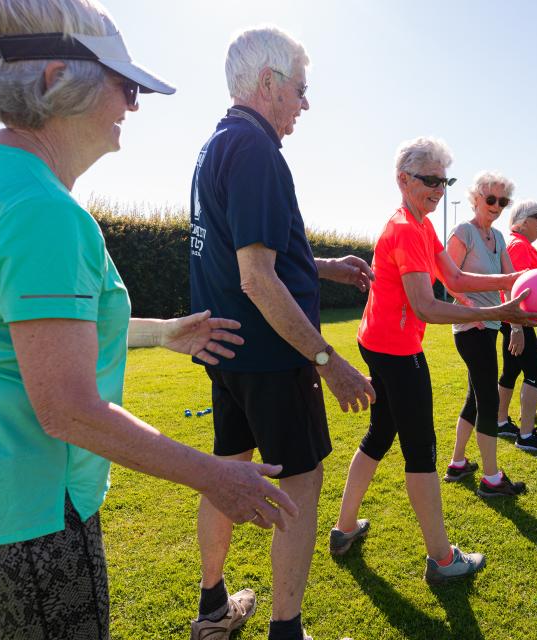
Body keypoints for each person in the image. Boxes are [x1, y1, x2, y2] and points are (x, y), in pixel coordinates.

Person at [0, 3, 296, 638]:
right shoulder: (42, 210)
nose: (133, 107)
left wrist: (161, 331)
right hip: (27, 513)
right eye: (127, 85)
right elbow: (66, 407)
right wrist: (212, 474)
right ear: (60, 80)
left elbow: (28, 333)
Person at [188, 26, 376, 640]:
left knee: (227, 468)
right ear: (268, 84)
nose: (304, 102)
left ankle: (213, 609)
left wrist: (323, 266)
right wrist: (327, 359)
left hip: (230, 357)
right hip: (273, 358)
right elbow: (259, 280)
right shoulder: (258, 150)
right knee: (300, 480)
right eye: (300, 88)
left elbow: (248, 252)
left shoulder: (218, 143)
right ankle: (286, 630)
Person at [329, 137, 537, 585]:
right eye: (429, 179)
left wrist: (515, 277)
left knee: (380, 431)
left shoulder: (421, 224)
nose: (438, 188)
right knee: (421, 451)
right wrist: (496, 311)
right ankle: (442, 560)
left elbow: (457, 277)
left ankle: (344, 529)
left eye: (443, 180)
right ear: (403, 179)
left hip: (377, 342)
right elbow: (426, 305)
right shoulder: (406, 228)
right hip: (396, 351)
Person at [443, 171, 530, 496]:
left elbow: (512, 281)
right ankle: (492, 479)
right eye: (490, 199)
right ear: (476, 198)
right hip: (471, 327)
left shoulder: (497, 237)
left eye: (502, 201)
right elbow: (448, 278)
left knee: (475, 397)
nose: (496, 206)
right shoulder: (463, 231)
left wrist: (517, 325)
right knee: (488, 397)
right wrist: (474, 312)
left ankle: (457, 462)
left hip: (491, 325)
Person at [495, 200, 537, 454]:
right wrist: (517, 327)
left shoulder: (518, 245)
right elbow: (513, 290)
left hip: (516, 320)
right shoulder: (519, 246)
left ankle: (501, 422)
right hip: (517, 321)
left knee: (511, 370)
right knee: (534, 371)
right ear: (522, 221)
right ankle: (526, 434)